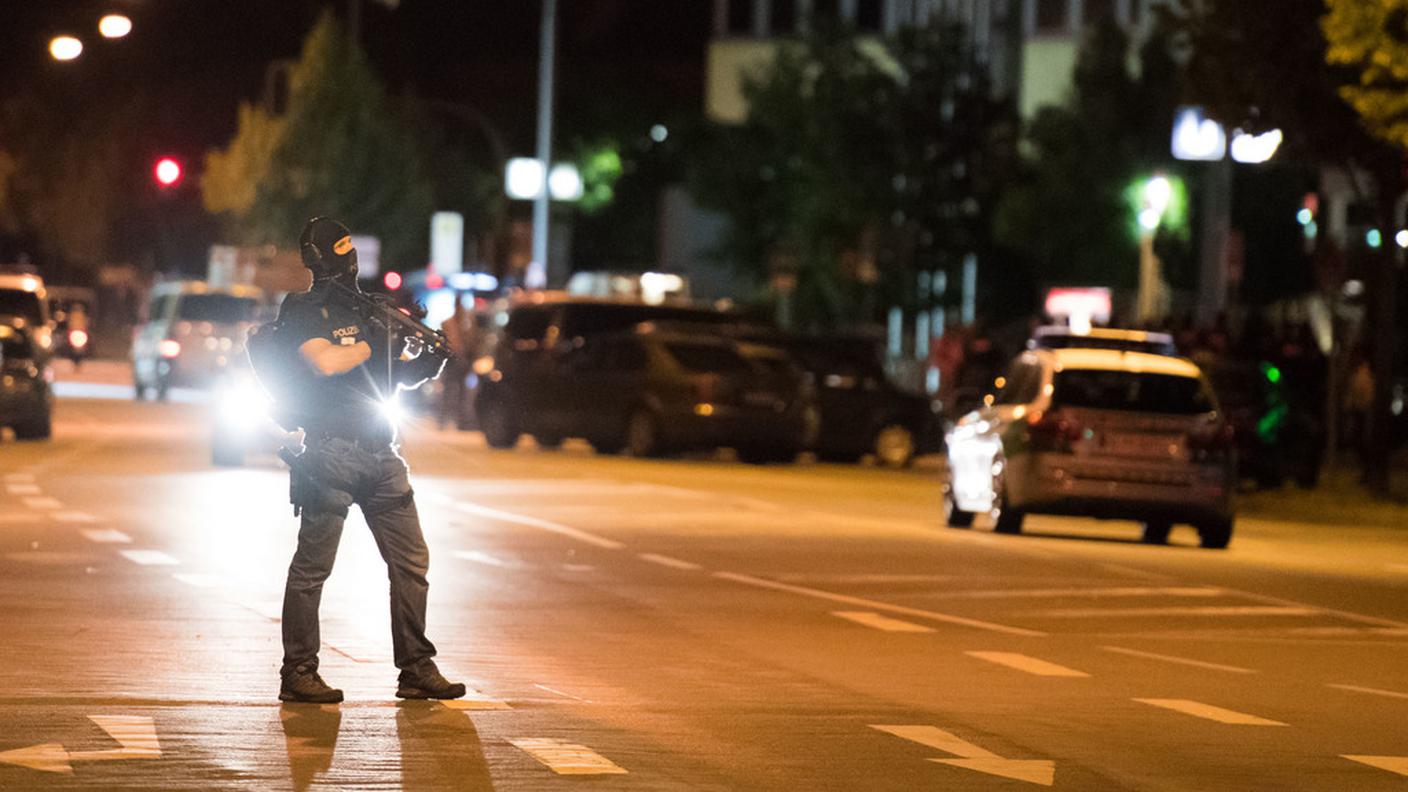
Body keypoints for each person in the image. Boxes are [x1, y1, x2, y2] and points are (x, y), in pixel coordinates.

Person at [274, 216, 465, 704]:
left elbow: (391, 378)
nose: (348, 258)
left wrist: (427, 360)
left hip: (382, 452)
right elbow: (324, 361)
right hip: (330, 452)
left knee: (411, 563)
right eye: (340, 249)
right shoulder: (302, 308)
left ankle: (417, 668)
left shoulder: (371, 308)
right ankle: (298, 671)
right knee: (313, 569)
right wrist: (373, 342)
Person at [438, 297, 473, 430]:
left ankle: (460, 421)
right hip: (451, 361)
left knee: (462, 393)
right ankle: (443, 419)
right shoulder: (447, 323)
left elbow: (470, 342)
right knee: (448, 391)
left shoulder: (466, 324)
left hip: (463, 361)